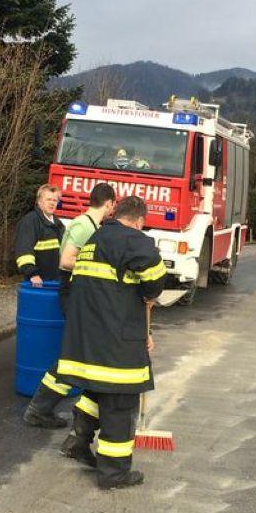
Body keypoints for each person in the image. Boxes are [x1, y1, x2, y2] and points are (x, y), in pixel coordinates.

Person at [55, 196, 166, 489]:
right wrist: (149, 295)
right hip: (114, 338)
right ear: (140, 220)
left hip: (87, 335)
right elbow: (155, 280)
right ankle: (113, 473)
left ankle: (77, 441)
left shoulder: (95, 238)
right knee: (120, 400)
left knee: (96, 389)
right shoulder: (134, 240)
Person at [22, 182, 116, 429]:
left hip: (77, 293)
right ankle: (39, 410)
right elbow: (66, 261)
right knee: (74, 353)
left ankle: (44, 410)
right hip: (71, 293)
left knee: (77, 352)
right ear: (108, 204)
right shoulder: (85, 226)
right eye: (112, 206)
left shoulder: (90, 225)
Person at [14, 184, 64, 288]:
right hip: (36, 282)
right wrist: (32, 273)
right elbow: (24, 250)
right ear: (39, 201)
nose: (52, 203)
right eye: (48, 199)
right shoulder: (30, 222)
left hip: (54, 282)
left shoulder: (59, 225)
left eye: (55, 200)